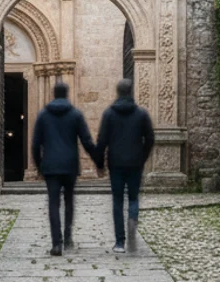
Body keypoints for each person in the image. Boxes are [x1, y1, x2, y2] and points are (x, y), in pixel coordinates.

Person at [31, 82, 97, 256]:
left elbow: (35, 144)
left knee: (53, 204)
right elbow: (87, 141)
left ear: (54, 93)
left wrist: (39, 166)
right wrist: (98, 160)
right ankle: (67, 237)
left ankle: (56, 244)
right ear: (67, 94)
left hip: (51, 166)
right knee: (69, 201)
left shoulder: (43, 115)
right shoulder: (75, 114)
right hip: (70, 165)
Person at [95, 79, 154, 254]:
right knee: (134, 198)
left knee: (117, 201)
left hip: (116, 163)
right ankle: (133, 219)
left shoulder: (109, 114)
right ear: (131, 92)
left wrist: (100, 164)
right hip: (135, 162)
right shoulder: (141, 114)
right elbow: (150, 138)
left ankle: (120, 242)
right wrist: (142, 157)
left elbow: (102, 140)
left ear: (118, 92)